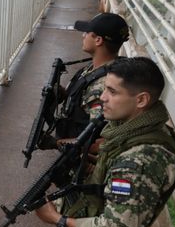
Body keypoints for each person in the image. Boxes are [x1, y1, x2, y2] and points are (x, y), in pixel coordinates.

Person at [35, 57, 175, 227]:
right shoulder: (135, 130)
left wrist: (57, 219)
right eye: (105, 88)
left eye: (113, 92)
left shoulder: (140, 162)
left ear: (141, 100)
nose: (103, 97)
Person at [50, 12, 130, 145]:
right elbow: (84, 102)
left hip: (81, 155)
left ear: (98, 40)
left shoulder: (102, 85)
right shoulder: (99, 67)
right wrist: (64, 94)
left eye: (87, 33)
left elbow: (94, 139)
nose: (83, 36)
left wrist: (56, 144)